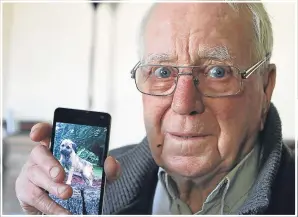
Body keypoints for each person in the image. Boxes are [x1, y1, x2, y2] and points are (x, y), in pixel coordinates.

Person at [15, 2, 295, 215]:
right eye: (162, 72)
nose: (184, 104)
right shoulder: (97, 183)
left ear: (266, 86)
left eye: (218, 72)